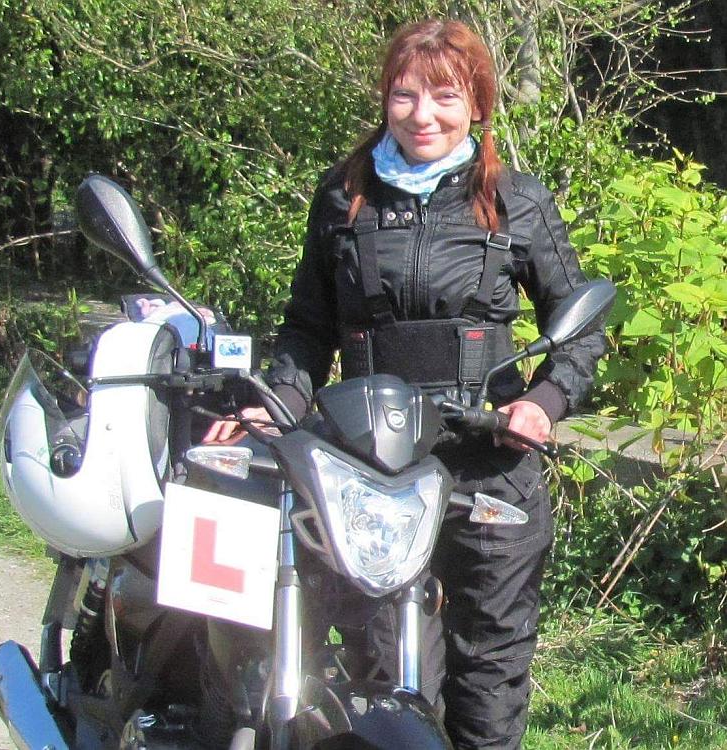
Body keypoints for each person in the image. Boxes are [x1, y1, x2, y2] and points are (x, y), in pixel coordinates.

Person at [205, 18, 606, 749]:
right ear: (384, 101)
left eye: (444, 97)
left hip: (489, 467)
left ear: (478, 104)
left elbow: (581, 327)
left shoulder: (515, 200)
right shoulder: (344, 198)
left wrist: (542, 405)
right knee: (382, 675)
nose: (423, 115)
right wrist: (274, 405)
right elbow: (306, 329)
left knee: (488, 680)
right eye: (404, 95)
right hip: (372, 474)